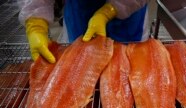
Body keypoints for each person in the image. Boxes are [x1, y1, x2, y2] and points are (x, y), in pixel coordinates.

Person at [18, 0, 150, 63]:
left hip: (128, 18)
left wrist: (109, 11)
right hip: (78, 14)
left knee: (125, 70)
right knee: (76, 68)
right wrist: (35, 24)